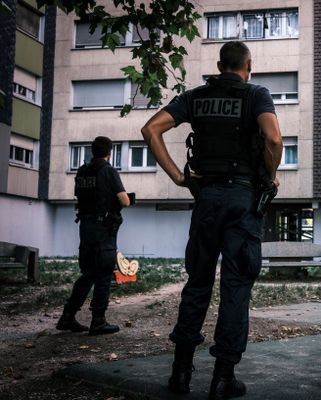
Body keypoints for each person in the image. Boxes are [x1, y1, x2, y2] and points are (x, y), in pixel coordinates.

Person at [141, 41, 283, 399]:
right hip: (242, 200)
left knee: (198, 283)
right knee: (236, 287)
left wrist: (178, 176)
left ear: (220, 65)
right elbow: (274, 138)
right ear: (248, 65)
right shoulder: (257, 94)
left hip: (207, 199)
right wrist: (271, 173)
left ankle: (181, 374)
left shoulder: (195, 97)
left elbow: (150, 129)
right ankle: (223, 378)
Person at [56, 136, 131, 335]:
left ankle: (67, 316)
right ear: (110, 151)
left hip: (86, 227)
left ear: (92, 151)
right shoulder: (108, 171)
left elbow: (82, 196)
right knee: (104, 274)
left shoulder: (82, 172)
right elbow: (124, 201)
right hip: (103, 229)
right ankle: (98, 321)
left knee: (88, 274)